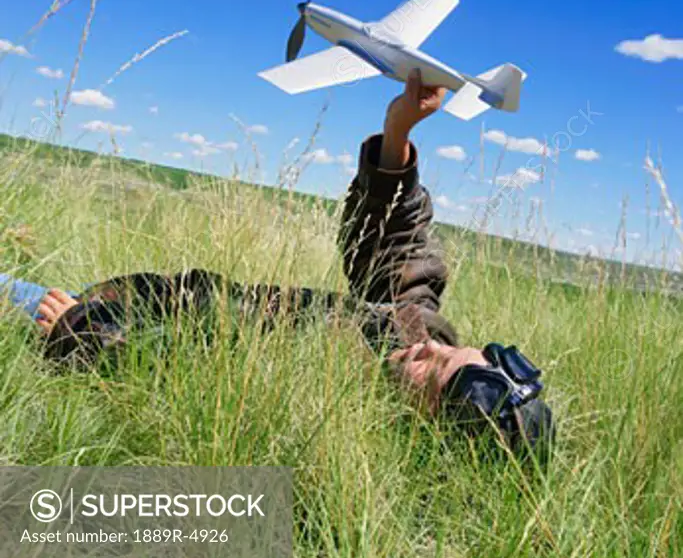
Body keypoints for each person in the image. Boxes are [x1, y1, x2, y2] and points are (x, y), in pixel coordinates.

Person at [1, 71, 554, 459]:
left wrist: (78, 333)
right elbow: (399, 250)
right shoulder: (411, 334)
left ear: (432, 427)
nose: (426, 350)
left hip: (88, 327)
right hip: (117, 302)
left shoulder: (334, 428)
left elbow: (176, 385)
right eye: (449, 351)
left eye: (432, 374)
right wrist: (398, 134)